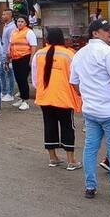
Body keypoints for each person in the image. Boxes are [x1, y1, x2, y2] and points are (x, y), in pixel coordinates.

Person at [69, 18, 110, 203]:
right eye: (106, 30)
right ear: (95, 33)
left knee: (90, 148)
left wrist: (87, 95)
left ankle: (90, 187)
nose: (109, 33)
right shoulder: (108, 52)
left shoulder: (79, 54)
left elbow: (74, 82)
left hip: (91, 109)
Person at [31, 27, 80, 167]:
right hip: (64, 98)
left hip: (45, 97)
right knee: (68, 127)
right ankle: (71, 161)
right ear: (62, 39)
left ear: (47, 39)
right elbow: (76, 78)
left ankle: (53, 158)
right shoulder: (69, 55)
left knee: (49, 126)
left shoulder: (39, 54)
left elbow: (35, 80)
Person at [7, 14, 38, 110]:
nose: (19, 23)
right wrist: (9, 54)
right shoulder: (14, 32)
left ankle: (26, 100)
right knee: (18, 79)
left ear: (26, 23)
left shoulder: (29, 32)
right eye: (18, 21)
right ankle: (21, 98)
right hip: (15, 58)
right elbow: (11, 44)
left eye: (22, 22)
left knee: (23, 79)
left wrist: (31, 59)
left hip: (25, 57)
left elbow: (33, 46)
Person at [0, 10, 17, 102]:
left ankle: (10, 93)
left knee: (10, 73)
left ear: (10, 16)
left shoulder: (12, 27)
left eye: (4, 14)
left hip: (7, 54)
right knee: (2, 73)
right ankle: (4, 91)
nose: (2, 16)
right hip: (3, 53)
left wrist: (8, 55)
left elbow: (11, 42)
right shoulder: (6, 26)